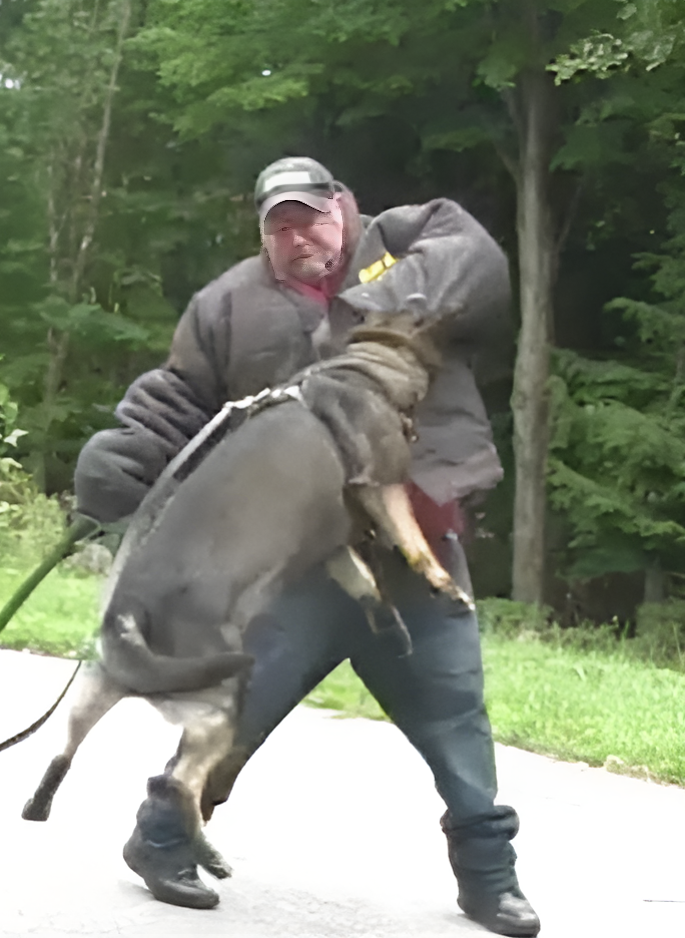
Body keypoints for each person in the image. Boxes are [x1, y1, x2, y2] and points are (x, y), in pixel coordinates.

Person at [73, 157, 541, 937]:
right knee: (238, 711)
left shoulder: (405, 241)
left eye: (311, 217)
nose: (298, 238)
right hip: (298, 557)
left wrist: (374, 303)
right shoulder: (227, 305)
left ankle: (491, 879)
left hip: (416, 552)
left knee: (458, 719)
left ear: (344, 208)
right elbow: (180, 401)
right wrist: (122, 457)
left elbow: (477, 261)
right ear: (262, 234)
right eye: (278, 226)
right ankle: (161, 840)